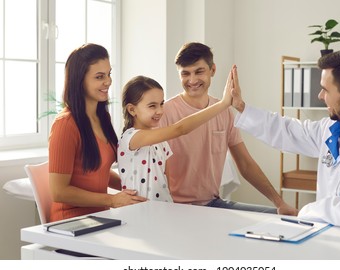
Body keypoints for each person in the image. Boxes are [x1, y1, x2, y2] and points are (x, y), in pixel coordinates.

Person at [231, 47, 340, 230]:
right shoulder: (331, 128)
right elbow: (287, 130)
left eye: (325, 90)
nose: (320, 96)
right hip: (329, 236)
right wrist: (241, 106)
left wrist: (306, 212)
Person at [159, 42, 297, 215]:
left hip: (213, 204)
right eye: (185, 74)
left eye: (199, 71)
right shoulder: (165, 112)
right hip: (175, 208)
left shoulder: (224, 112)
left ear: (213, 70)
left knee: (279, 218)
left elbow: (245, 164)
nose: (192, 80)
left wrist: (279, 203)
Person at [48, 43, 146, 222]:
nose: (108, 82)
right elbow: (59, 191)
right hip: (72, 222)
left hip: (101, 217)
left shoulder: (103, 118)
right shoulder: (65, 125)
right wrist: (112, 200)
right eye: (99, 76)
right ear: (80, 81)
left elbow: (98, 171)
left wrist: (137, 189)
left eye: (109, 74)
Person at [117, 73, 234, 202]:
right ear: (132, 110)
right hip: (139, 213)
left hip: (163, 210)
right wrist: (223, 104)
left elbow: (168, 184)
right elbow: (180, 129)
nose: (160, 111)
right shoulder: (131, 138)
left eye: (161, 104)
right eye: (152, 106)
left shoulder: (161, 143)